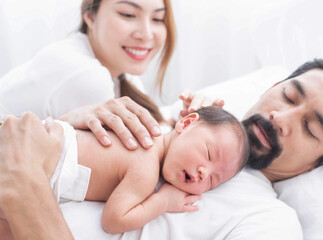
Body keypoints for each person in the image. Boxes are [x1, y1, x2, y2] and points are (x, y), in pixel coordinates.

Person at [1, 58, 323, 239]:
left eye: (311, 129)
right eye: (289, 95)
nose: (282, 117)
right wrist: (75, 119)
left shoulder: (270, 222)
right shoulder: (182, 122)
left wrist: (26, 193)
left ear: (316, 164)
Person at [0, 0, 224, 150]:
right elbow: (139, 160)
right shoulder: (86, 75)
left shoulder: (117, 68)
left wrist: (185, 115)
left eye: (157, 19)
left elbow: (151, 127)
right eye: (128, 14)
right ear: (90, 17)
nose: (146, 34)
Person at [0, 106, 249, 237]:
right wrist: (162, 202)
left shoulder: (143, 130)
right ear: (185, 123)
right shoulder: (146, 168)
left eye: (213, 181)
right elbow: (113, 220)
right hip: (27, 156)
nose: (204, 172)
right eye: (207, 154)